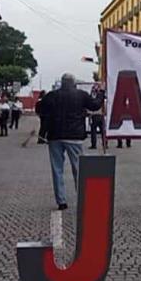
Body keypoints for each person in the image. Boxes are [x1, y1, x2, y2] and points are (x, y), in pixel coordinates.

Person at [39, 73, 104, 210]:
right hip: (74, 136)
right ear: (73, 83)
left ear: (62, 82)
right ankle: (82, 197)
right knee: (78, 168)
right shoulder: (80, 95)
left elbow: (39, 109)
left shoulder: (52, 95)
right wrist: (101, 93)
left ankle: (61, 201)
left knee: (57, 169)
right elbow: (95, 106)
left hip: (55, 136)